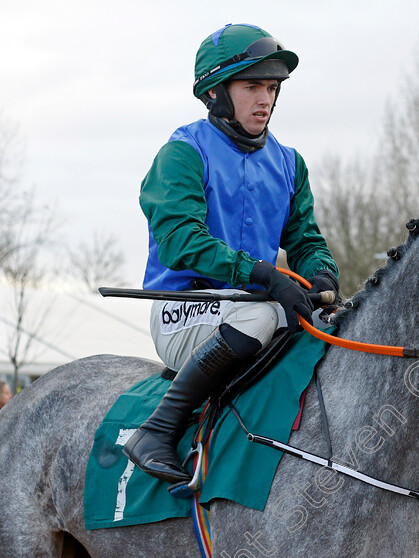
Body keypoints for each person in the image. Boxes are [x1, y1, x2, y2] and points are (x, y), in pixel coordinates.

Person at [123, 23, 339, 484]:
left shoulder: (289, 162)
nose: (265, 99)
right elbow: (182, 241)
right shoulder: (181, 154)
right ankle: (156, 431)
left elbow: (306, 241)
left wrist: (322, 276)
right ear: (216, 93)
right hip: (184, 311)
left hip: (252, 307)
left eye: (272, 87)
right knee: (263, 319)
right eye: (251, 86)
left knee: (330, 327)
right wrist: (263, 274)